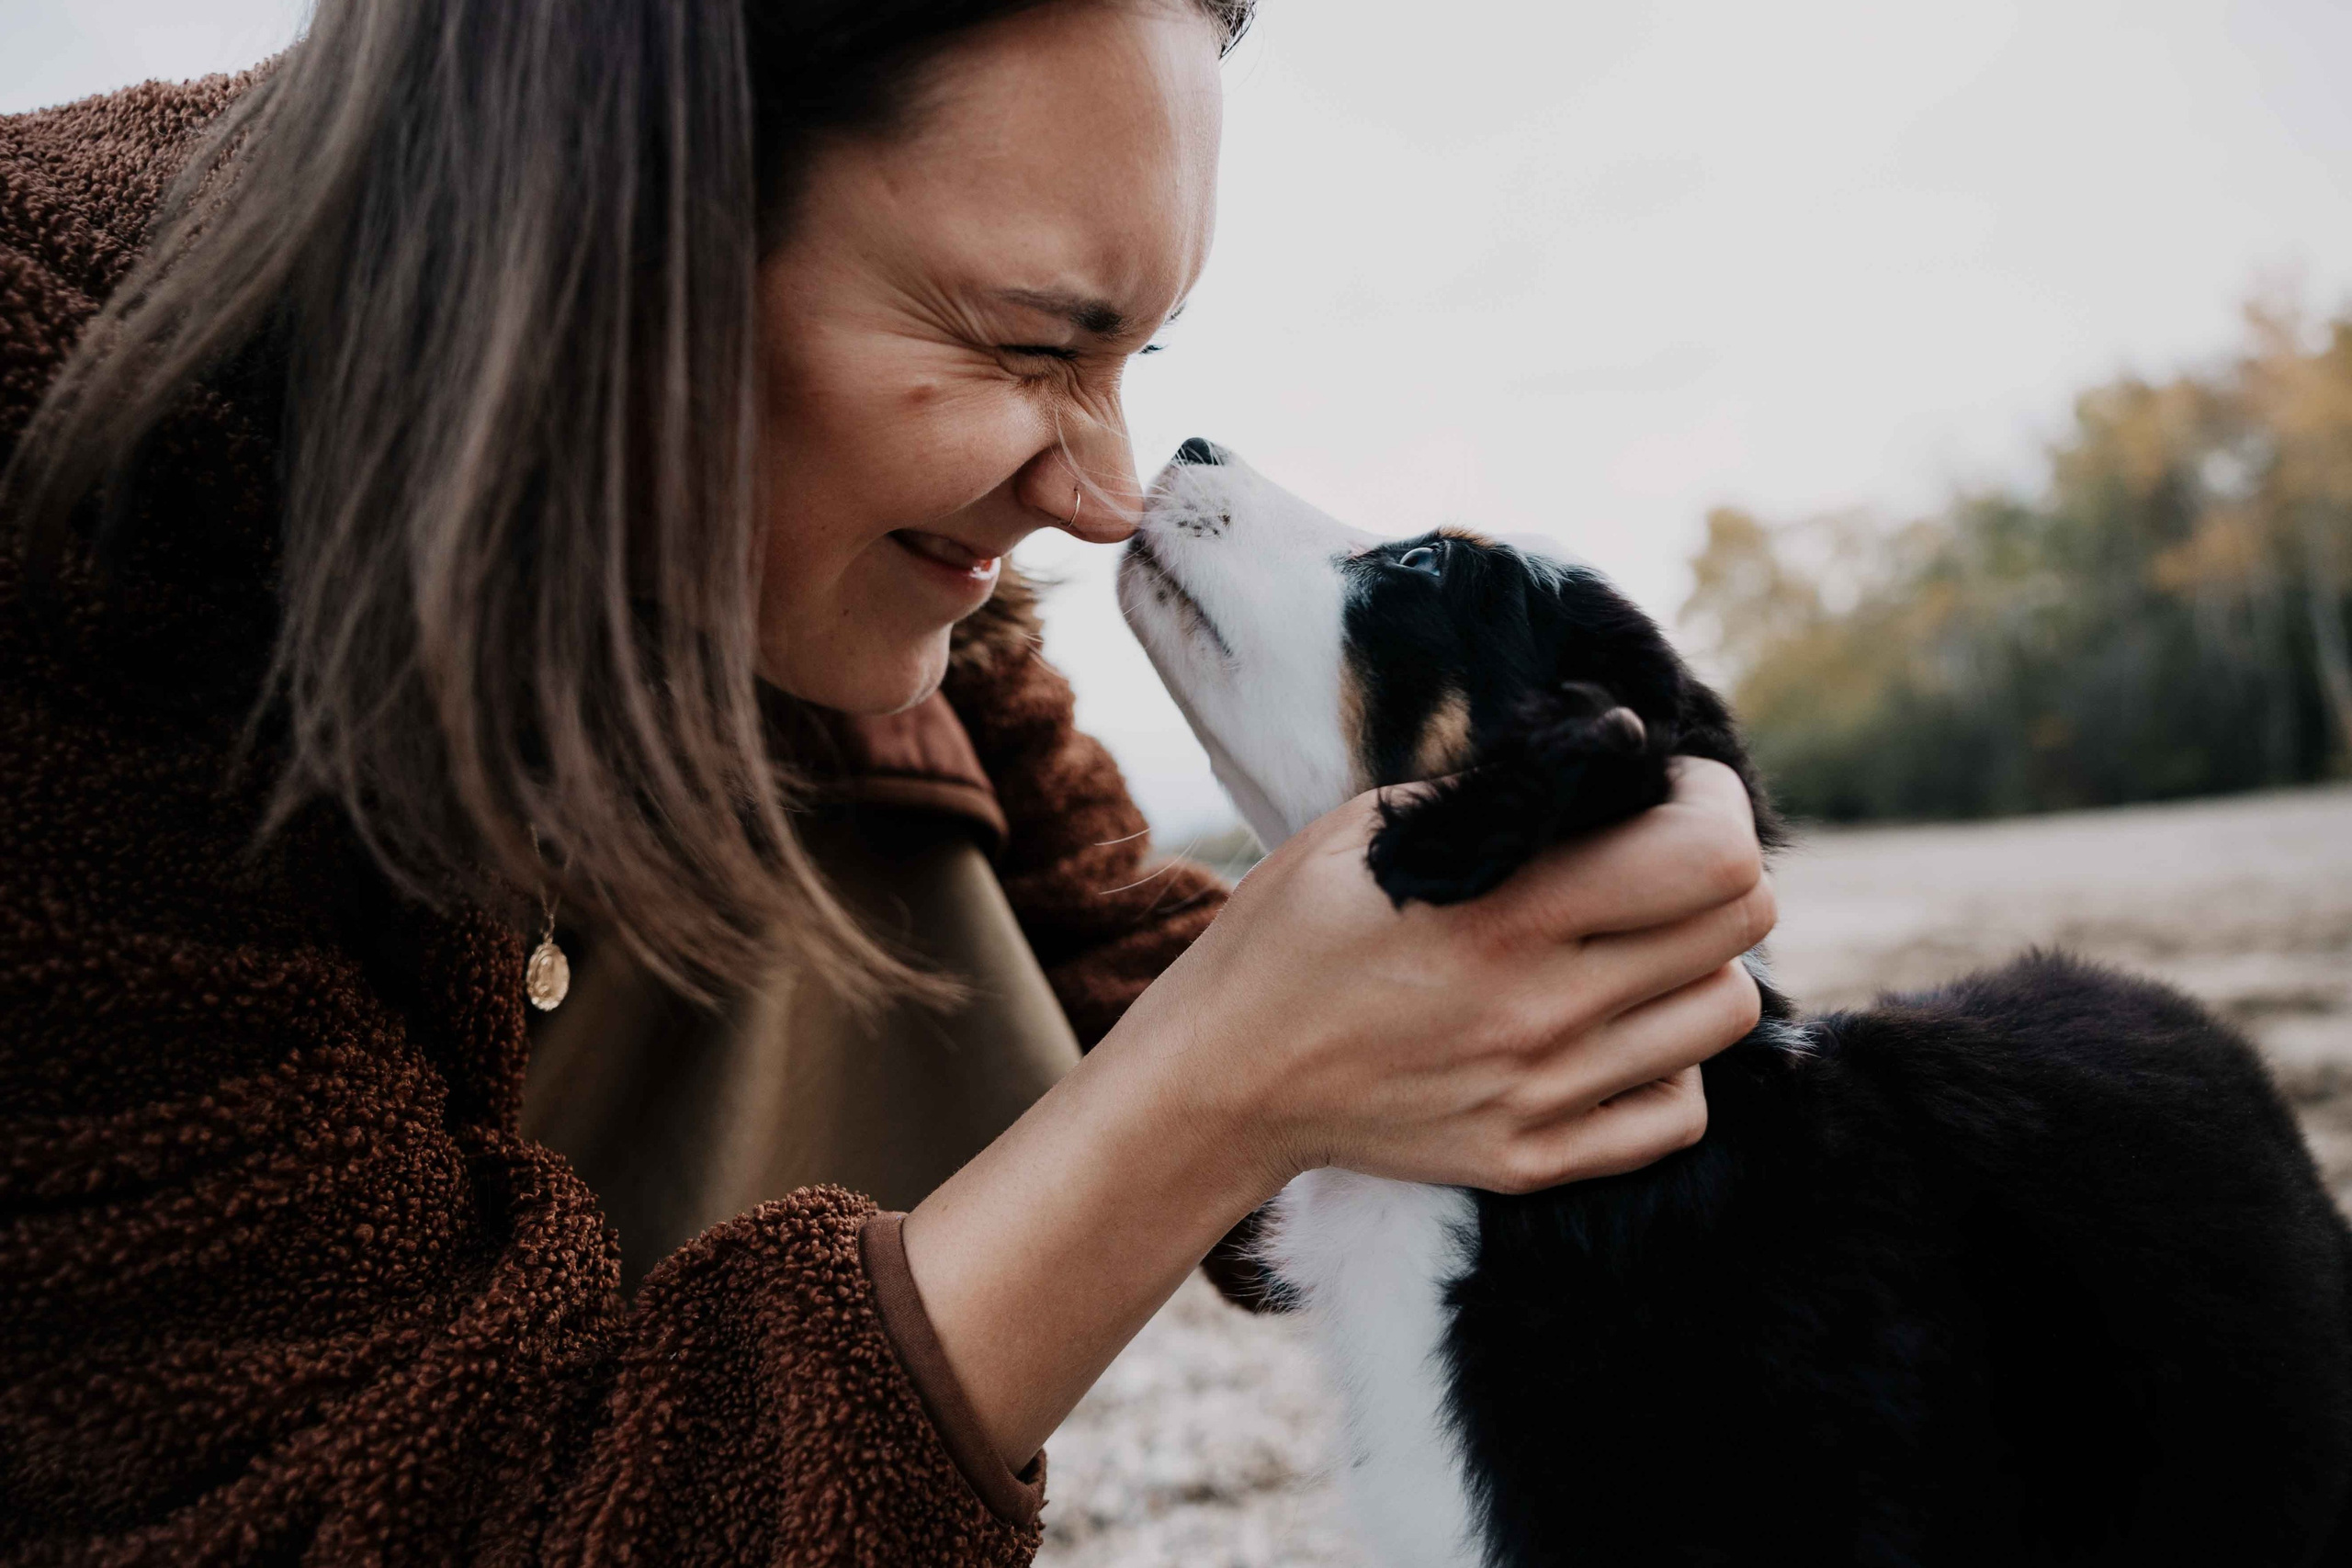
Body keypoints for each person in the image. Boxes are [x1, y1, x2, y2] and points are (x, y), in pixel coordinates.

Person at [0, 0, 1775, 1561]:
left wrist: (1518, 1008)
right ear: (620, 219)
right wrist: (1212, 1095)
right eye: (1025, 345)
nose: (1109, 490)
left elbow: (1095, 932)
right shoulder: (60, 453)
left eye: (1127, 362)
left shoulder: (822, 526)